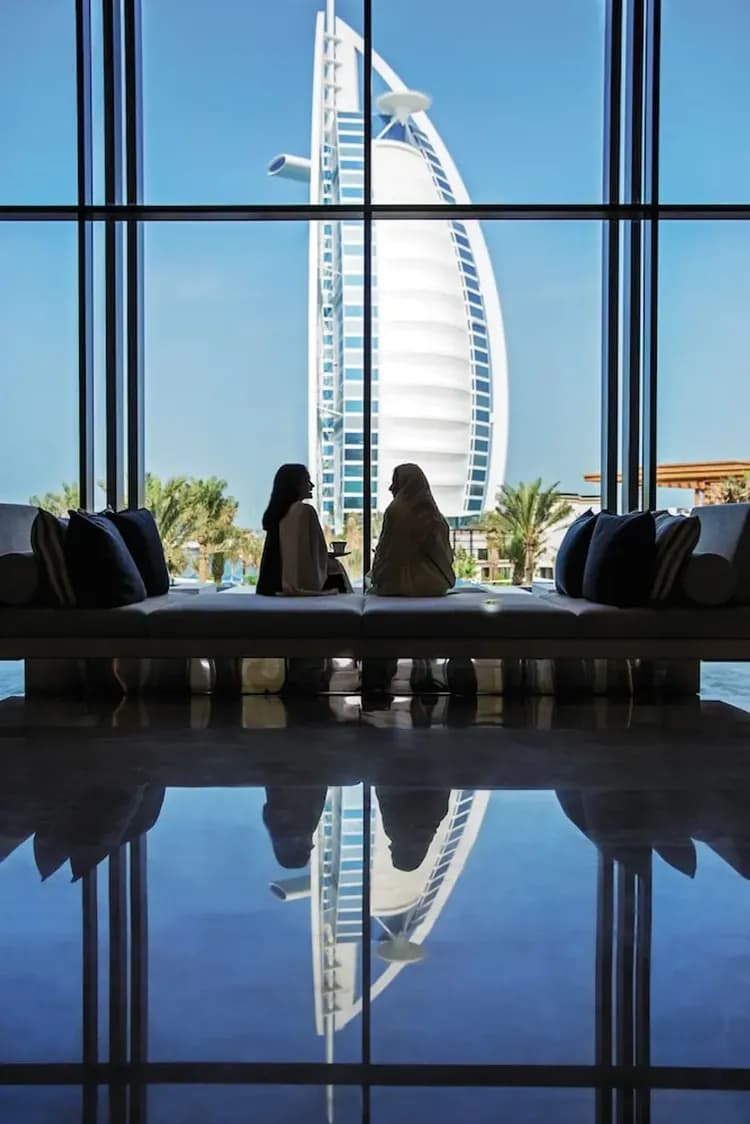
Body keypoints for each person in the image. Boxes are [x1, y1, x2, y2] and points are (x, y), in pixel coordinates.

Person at [256, 464, 351, 596]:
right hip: (293, 587)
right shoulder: (304, 511)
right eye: (307, 481)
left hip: (270, 587)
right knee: (336, 568)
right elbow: (311, 557)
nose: (312, 485)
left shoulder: (277, 514)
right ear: (295, 485)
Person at [368, 463, 455, 596]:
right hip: (434, 586)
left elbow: (385, 556)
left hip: (396, 586)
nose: (391, 488)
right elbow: (445, 558)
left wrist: (376, 577)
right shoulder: (437, 519)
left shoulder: (396, 513)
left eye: (395, 483)